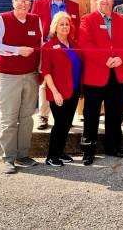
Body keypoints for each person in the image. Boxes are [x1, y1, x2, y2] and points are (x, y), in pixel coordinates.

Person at [0, 0, 42, 174]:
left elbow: (41, 46)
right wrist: (17, 50)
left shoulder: (36, 20)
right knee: (9, 118)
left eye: (27, 1)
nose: (23, 4)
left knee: (26, 118)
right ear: (13, 2)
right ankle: (8, 158)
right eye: (20, 1)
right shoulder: (2, 19)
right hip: (8, 77)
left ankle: (23, 154)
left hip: (31, 76)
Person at [78, 0, 123, 165]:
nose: (105, 2)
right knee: (91, 114)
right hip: (95, 76)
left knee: (115, 114)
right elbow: (85, 44)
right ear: (96, 0)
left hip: (117, 74)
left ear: (112, 0)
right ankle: (88, 150)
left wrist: (120, 58)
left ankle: (113, 146)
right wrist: (105, 59)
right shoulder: (87, 20)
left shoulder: (122, 19)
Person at [31, 0, 80, 130]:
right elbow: (33, 25)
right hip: (47, 46)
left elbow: (76, 28)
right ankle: (43, 116)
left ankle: (65, 114)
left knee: (67, 78)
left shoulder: (73, 6)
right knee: (45, 81)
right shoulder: (38, 3)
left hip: (66, 47)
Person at [41, 12, 82, 167]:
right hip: (58, 93)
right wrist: (55, 92)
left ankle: (61, 152)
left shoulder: (74, 44)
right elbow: (46, 71)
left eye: (67, 24)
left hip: (74, 90)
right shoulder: (49, 46)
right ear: (55, 27)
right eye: (61, 24)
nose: (65, 27)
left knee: (67, 124)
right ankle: (51, 156)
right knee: (59, 124)